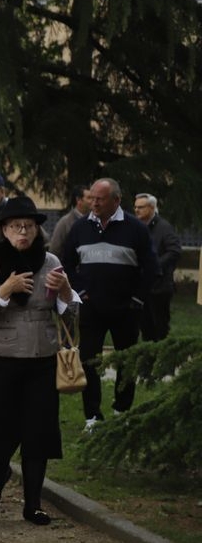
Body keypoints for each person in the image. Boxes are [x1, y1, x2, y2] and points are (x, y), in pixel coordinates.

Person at [0, 196, 80, 526]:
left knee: (38, 434)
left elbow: (73, 316)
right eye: (16, 226)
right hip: (2, 359)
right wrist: (4, 290)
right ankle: (0, 470)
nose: (23, 232)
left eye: (29, 226)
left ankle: (33, 505)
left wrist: (65, 292)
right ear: (4, 230)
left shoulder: (51, 262)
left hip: (42, 360)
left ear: (36, 230)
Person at [62, 177, 158, 430]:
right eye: (91, 197)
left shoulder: (135, 229)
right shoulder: (80, 228)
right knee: (88, 362)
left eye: (100, 199)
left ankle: (121, 411)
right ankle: (92, 416)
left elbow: (151, 267)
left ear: (116, 200)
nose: (93, 203)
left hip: (126, 309)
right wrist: (80, 290)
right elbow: (66, 264)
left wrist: (137, 298)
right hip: (91, 309)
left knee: (126, 362)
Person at [133, 193, 181, 342]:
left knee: (159, 328)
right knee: (145, 329)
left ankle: (161, 361)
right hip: (141, 287)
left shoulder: (164, 227)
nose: (136, 210)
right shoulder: (137, 227)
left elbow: (174, 251)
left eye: (141, 207)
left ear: (152, 208)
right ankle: (148, 360)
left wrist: (155, 266)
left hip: (159, 288)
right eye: (135, 207)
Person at [48, 183, 89, 258]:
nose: (93, 201)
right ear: (79, 200)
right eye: (89, 198)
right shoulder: (65, 222)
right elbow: (54, 250)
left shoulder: (94, 221)